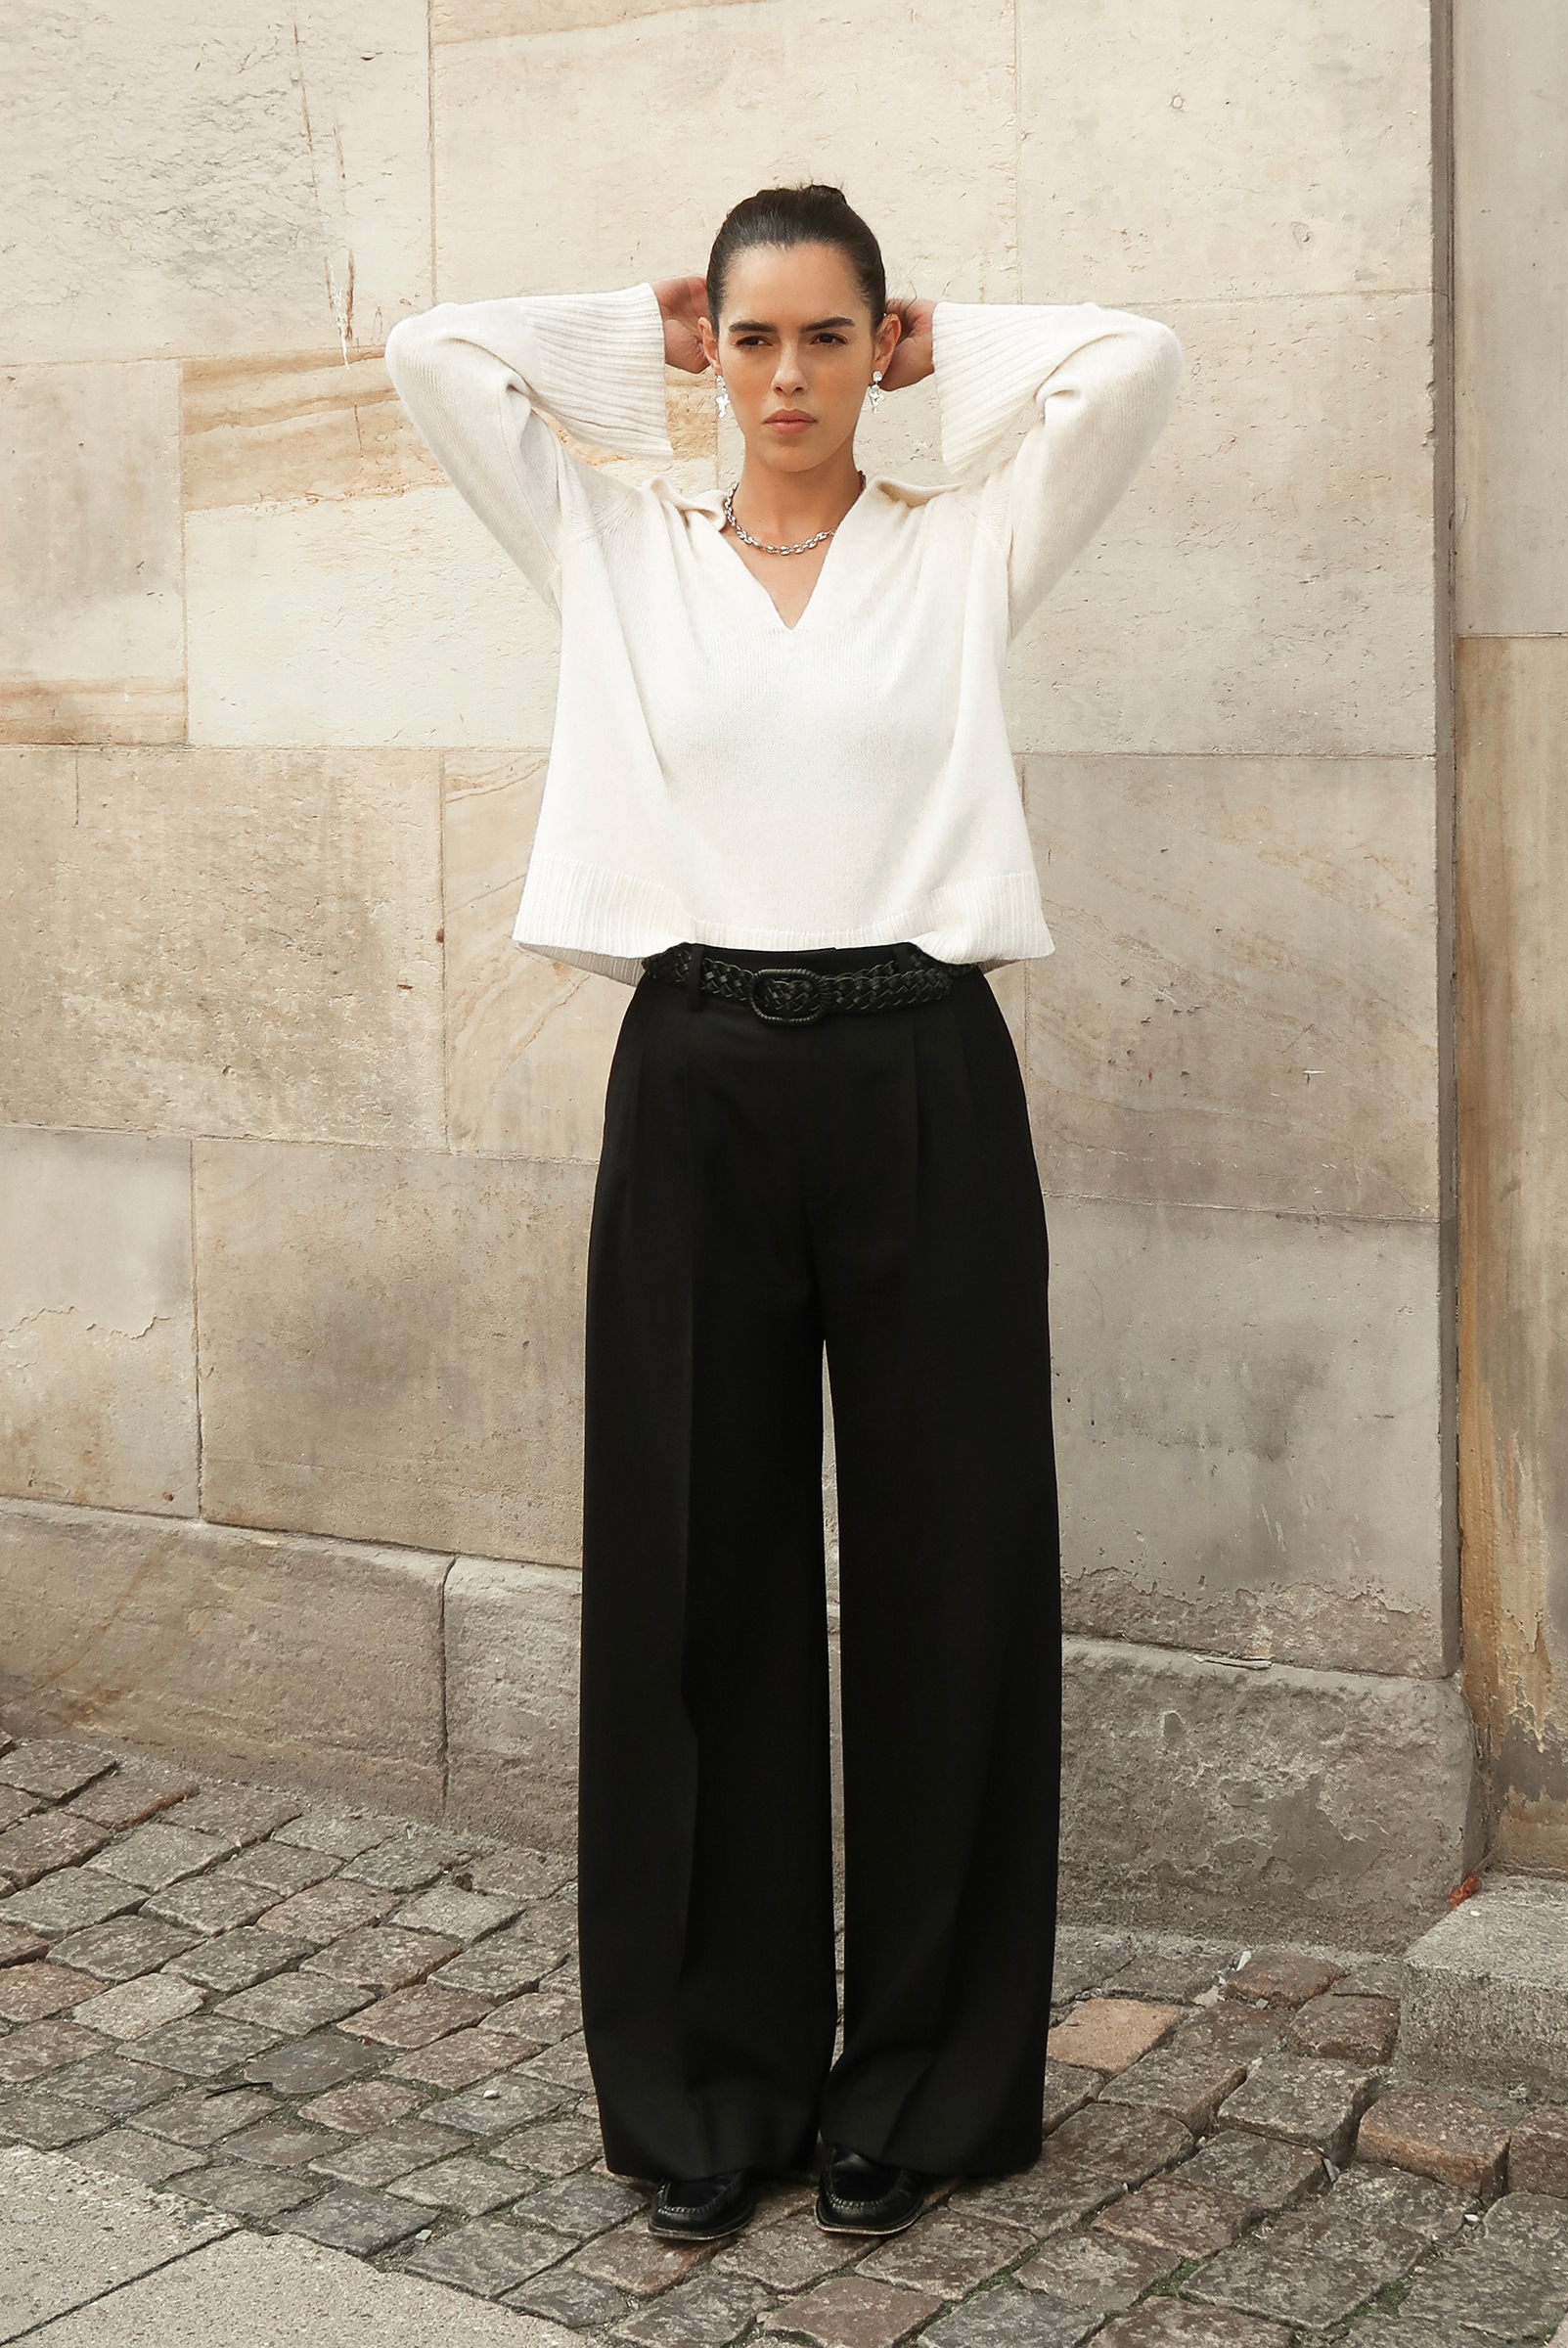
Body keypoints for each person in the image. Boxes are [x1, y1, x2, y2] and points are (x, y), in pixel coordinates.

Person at [383, 182, 1181, 2245]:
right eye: (752, 340)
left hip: (922, 1071)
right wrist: (627, 336)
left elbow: (1131, 367)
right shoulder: (615, 547)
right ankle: (706, 2087)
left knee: (951, 1578)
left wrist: (949, 345)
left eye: (831, 338)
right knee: (692, 1582)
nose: (791, 380)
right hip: (698, 1074)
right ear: (706, 353)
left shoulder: (959, 546)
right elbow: (434, 358)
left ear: (878, 346)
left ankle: (917, 2087)